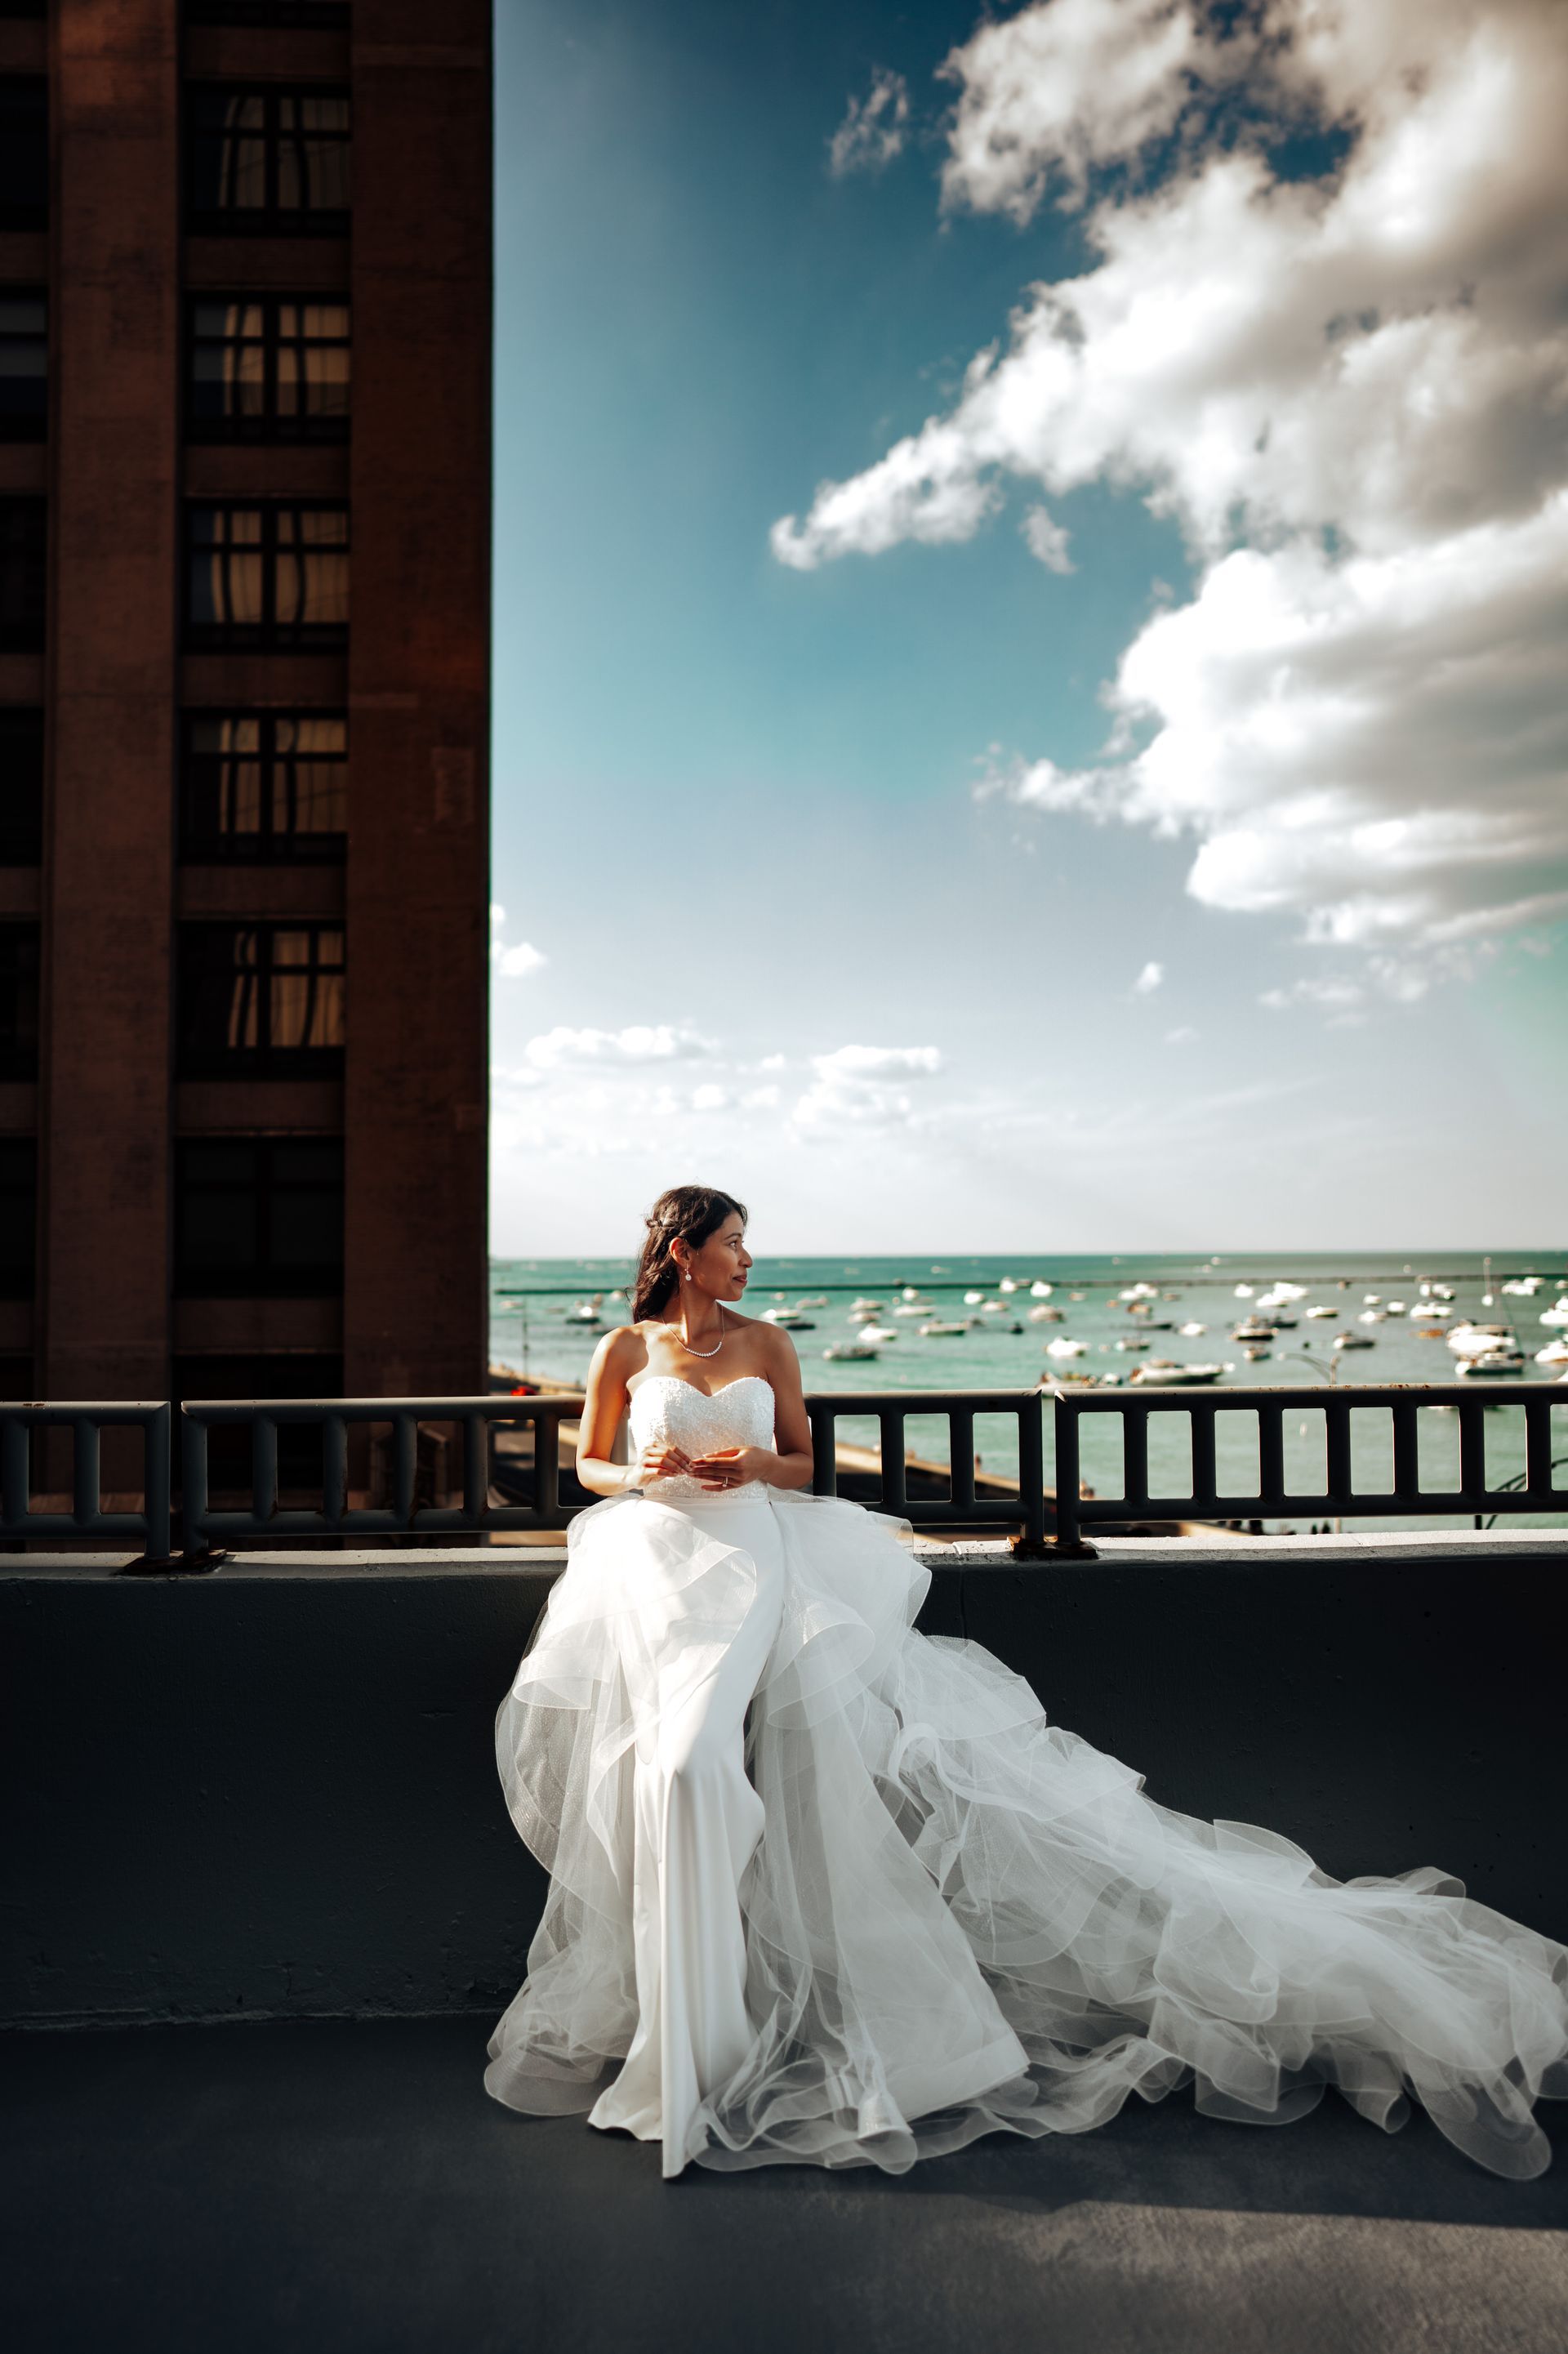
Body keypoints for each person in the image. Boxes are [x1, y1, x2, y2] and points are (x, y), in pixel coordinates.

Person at [483, 1186, 1568, 2180]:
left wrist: (753, 1467)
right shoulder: (625, 1347)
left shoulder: (770, 1343)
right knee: (675, 1782)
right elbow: (591, 1463)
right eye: (732, 1244)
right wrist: (650, 1473)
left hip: (758, 1568)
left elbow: (808, 1460)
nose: (749, 1260)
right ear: (683, 1252)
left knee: (693, 1770)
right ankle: (688, 2041)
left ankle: (720, 2041)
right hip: (661, 1576)